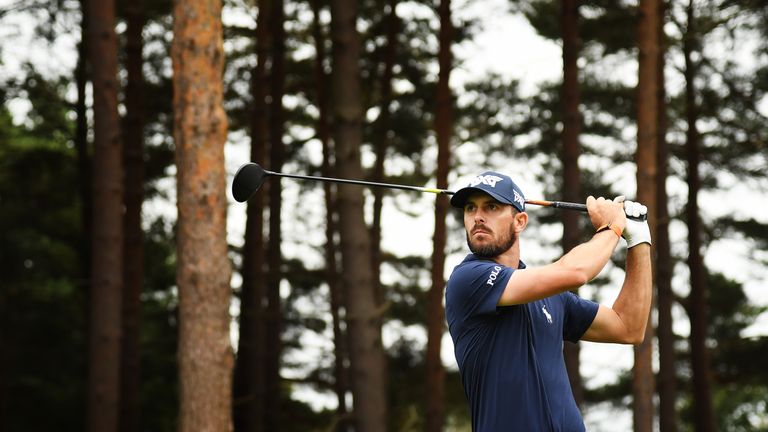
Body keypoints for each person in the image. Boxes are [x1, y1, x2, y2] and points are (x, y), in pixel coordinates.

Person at [445, 170, 652, 432]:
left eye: (492, 206)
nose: (477, 217)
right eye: (470, 208)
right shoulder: (468, 279)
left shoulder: (552, 299)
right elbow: (576, 272)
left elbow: (628, 327)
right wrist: (612, 227)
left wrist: (639, 240)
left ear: (519, 221)